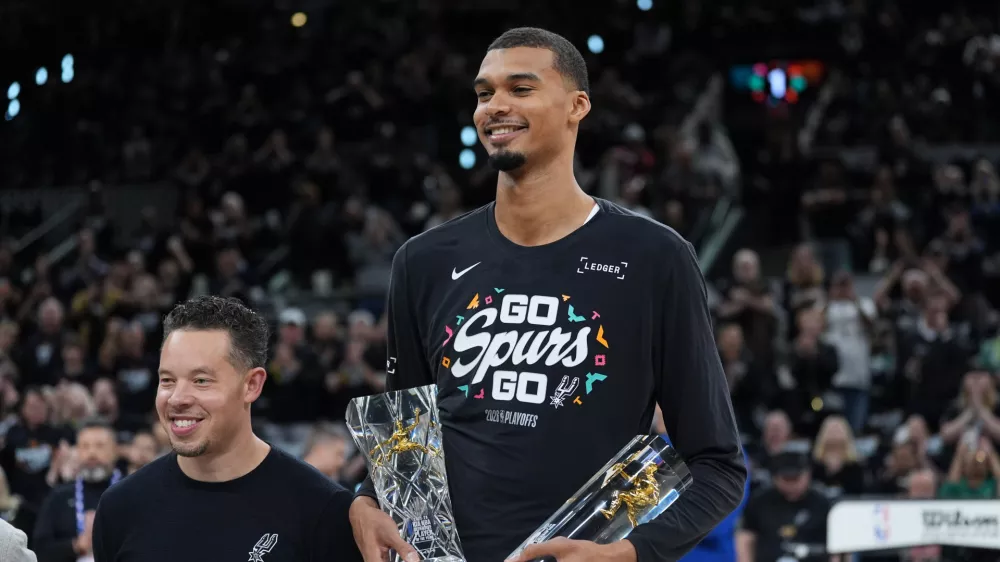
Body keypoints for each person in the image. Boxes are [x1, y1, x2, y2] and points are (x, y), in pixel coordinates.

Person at [349, 27, 746, 562]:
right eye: (485, 93)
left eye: (521, 88)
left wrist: (627, 553)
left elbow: (717, 466)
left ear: (577, 106)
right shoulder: (423, 262)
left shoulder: (654, 257)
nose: (496, 106)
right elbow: (403, 449)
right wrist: (367, 500)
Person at [91, 296, 363, 562]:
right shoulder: (120, 507)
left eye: (201, 380)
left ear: (252, 385)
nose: (177, 398)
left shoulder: (322, 509)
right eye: (167, 380)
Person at [33, 420, 120, 562]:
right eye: (85, 446)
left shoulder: (132, 491)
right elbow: (39, 550)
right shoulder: (58, 497)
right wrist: (75, 546)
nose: (92, 453)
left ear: (115, 451)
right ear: (77, 451)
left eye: (100, 446)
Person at [736, 449, 831, 562]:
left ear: (808, 475)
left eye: (796, 478)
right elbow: (745, 538)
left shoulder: (822, 503)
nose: (791, 485)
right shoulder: (760, 501)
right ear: (775, 478)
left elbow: (837, 546)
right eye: (786, 479)